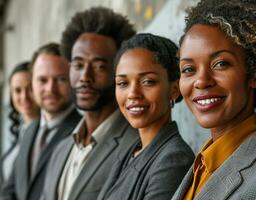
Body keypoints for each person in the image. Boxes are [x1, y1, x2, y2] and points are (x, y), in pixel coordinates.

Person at [172, 0, 256, 199]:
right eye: (188, 69)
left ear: (255, 73)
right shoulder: (200, 166)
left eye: (220, 64)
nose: (201, 81)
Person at [42, 7, 138, 200]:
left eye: (99, 66)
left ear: (121, 71)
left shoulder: (136, 145)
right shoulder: (61, 149)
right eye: (78, 65)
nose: (85, 77)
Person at [97, 33, 194, 200]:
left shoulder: (174, 160)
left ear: (174, 89)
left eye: (148, 81)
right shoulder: (131, 151)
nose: (133, 94)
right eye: (123, 83)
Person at [0, 43, 81, 200]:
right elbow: (10, 189)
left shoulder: (83, 130)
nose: (50, 88)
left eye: (60, 79)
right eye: (42, 80)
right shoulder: (30, 131)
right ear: (33, 82)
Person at [0, 62, 40, 187]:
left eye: (30, 89)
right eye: (17, 90)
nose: (24, 96)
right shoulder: (21, 131)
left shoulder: (46, 135)